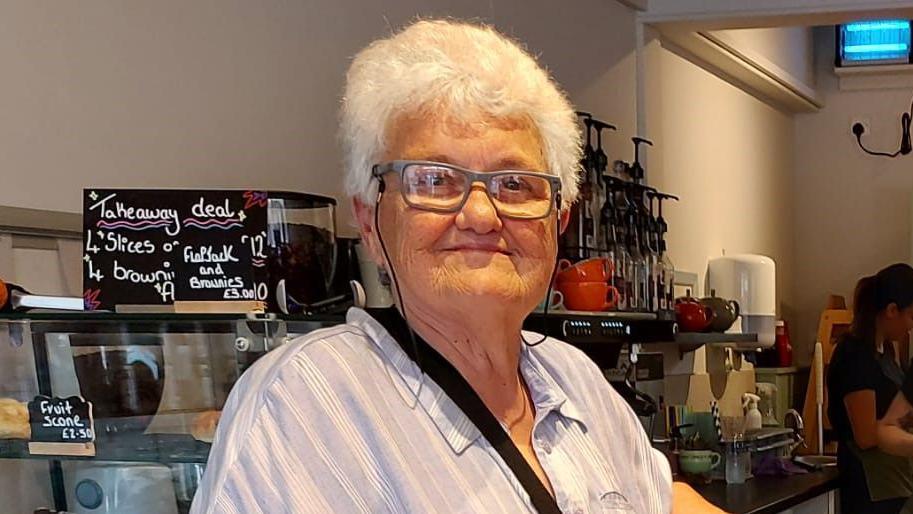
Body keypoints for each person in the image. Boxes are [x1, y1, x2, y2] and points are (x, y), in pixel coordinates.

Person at [191, 19, 723, 513]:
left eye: (515, 183)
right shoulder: (301, 406)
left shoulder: (575, 381)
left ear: (558, 221)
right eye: (434, 180)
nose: (479, 214)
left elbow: (663, 499)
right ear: (371, 220)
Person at [827, 263, 913, 513]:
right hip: (870, 490)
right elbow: (866, 436)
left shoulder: (885, 353)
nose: (911, 325)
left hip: (895, 485)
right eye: (911, 316)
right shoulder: (854, 356)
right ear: (891, 310)